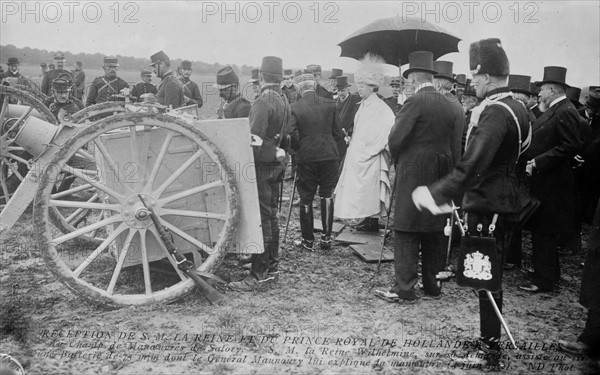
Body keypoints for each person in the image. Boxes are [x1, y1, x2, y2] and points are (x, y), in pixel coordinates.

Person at [412, 38, 531, 368]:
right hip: (501, 198)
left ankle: (490, 348)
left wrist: (436, 193)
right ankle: (488, 339)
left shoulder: (494, 112)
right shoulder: (517, 108)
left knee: (485, 276)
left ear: (488, 76)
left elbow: (474, 163)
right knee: (485, 274)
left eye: (475, 76)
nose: (473, 83)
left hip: (489, 204)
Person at [381, 51, 462, 303]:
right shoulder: (449, 104)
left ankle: (405, 288)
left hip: (413, 174)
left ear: (413, 79)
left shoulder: (414, 102)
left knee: (406, 229)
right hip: (440, 172)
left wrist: (399, 161)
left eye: (407, 80)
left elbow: (395, 139)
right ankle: (433, 284)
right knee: (434, 229)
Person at [229, 56, 292, 291]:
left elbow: (253, 140)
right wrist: (277, 152)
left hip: (261, 166)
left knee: (263, 217)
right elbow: (286, 136)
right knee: (271, 214)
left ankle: (259, 273)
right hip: (275, 164)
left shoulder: (262, 102)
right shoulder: (282, 99)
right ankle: (271, 264)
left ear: (262, 77)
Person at [519, 66, 582, 293]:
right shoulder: (558, 109)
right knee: (543, 230)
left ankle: (544, 280)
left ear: (553, 90)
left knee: (544, 231)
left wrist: (538, 162)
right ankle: (548, 273)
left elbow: (570, 145)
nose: (540, 94)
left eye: (543, 89)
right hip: (547, 183)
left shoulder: (564, 111)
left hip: (552, 184)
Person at [334, 54, 395, 231]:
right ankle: (367, 218)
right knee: (365, 192)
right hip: (360, 153)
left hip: (372, 156)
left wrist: (364, 146)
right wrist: (351, 138)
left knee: (372, 191)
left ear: (371, 87)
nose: (358, 89)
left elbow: (384, 130)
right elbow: (361, 128)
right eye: (358, 86)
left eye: (362, 86)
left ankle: (372, 221)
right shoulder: (364, 104)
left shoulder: (380, 108)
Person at [288, 74, 344, 251]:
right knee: (327, 194)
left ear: (299, 89)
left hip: (307, 158)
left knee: (306, 197)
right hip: (329, 155)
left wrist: (298, 149)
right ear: (315, 86)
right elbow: (337, 132)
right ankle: (327, 239)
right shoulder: (330, 104)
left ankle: (308, 240)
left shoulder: (294, 107)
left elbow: (290, 134)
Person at [335, 75, 361, 162]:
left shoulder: (354, 101)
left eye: (342, 91)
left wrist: (349, 134)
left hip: (349, 136)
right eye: (338, 91)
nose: (340, 93)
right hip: (337, 137)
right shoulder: (335, 102)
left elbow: (355, 120)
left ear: (348, 89)